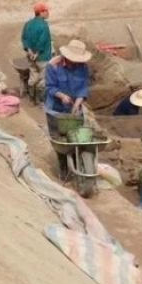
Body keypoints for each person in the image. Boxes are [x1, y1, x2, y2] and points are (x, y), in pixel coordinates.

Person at [44, 39, 92, 180]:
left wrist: (77, 103)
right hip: (56, 109)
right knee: (61, 141)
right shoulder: (53, 67)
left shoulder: (83, 68)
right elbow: (50, 87)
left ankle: (78, 165)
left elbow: (83, 87)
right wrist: (61, 96)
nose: (75, 63)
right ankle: (64, 167)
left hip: (73, 108)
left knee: (77, 139)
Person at [20, 2, 52, 104]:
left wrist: (29, 51)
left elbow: (24, 38)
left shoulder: (28, 24)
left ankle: (31, 99)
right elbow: (42, 41)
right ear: (41, 12)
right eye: (46, 11)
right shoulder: (44, 26)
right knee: (43, 80)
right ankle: (40, 100)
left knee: (33, 77)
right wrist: (37, 53)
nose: (48, 13)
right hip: (43, 57)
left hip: (30, 57)